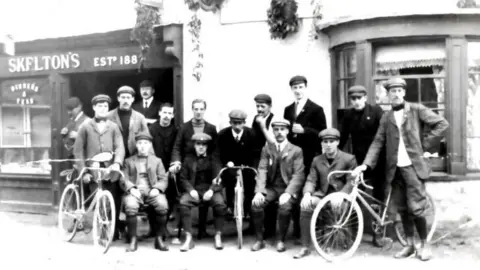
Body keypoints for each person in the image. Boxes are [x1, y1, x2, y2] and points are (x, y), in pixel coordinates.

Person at [352, 77, 449, 261]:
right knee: (403, 210)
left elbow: (442, 124)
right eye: (392, 91)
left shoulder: (416, 110)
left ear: (404, 93)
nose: (396, 94)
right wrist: (365, 164)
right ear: (387, 94)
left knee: (417, 209)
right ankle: (410, 245)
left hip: (413, 168)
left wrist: (425, 144)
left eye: (399, 91)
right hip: (395, 171)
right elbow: (378, 142)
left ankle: (424, 245)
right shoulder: (386, 117)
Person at [293, 128, 357, 259]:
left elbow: (351, 181)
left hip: (341, 197)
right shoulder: (317, 160)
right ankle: (305, 246)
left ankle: (337, 242)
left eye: (331, 141)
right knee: (305, 205)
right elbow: (311, 179)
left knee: (339, 208)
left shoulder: (348, 159)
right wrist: (307, 194)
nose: (328, 145)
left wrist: (341, 195)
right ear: (321, 143)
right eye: (325, 142)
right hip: (322, 195)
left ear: (338, 142)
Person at [73, 94, 125, 239]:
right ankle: (101, 231)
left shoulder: (113, 126)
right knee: (98, 200)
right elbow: (78, 150)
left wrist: (117, 163)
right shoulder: (85, 126)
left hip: (110, 170)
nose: (103, 109)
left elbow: (120, 146)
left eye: (106, 106)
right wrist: (84, 172)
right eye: (100, 106)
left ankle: (112, 231)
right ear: (94, 107)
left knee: (112, 200)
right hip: (93, 171)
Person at [339, 85, 386, 246]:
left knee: (378, 197)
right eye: (353, 99)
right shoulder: (348, 115)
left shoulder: (376, 111)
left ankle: (378, 233)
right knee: (354, 194)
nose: (356, 101)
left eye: (359, 98)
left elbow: (384, 136)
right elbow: (343, 137)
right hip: (359, 161)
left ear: (365, 98)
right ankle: (352, 232)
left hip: (379, 160)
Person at [250, 119, 305, 252]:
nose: (279, 132)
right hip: (272, 188)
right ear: (273, 132)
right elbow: (262, 169)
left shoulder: (296, 150)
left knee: (285, 207)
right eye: (276, 129)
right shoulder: (267, 149)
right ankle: (259, 240)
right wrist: (259, 191)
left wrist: (288, 193)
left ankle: (280, 240)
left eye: (282, 129)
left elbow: (299, 175)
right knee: (256, 204)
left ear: (287, 131)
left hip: (287, 188)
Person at [283, 75, 327, 239]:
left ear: (306, 88)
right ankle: (297, 229)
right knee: (293, 189)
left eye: (301, 87)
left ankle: (312, 229)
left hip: (309, 156)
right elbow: (286, 134)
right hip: (293, 157)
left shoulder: (316, 109)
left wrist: (305, 131)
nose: (298, 91)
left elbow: (322, 134)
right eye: (295, 88)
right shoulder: (288, 109)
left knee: (307, 191)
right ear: (292, 90)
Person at [177, 133, 226, 251]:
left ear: (207, 146)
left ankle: (218, 235)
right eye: (198, 144)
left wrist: (211, 190)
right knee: (184, 203)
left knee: (220, 204)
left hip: (210, 189)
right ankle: (189, 238)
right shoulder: (188, 159)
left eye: (204, 145)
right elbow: (182, 178)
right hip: (194, 189)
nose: (201, 147)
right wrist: (191, 190)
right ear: (194, 145)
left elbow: (219, 178)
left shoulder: (214, 159)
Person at [121, 131, 169, 252]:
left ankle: (159, 239)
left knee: (162, 205)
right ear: (136, 145)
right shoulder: (128, 161)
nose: (142, 146)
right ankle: (133, 240)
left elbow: (163, 178)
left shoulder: (157, 161)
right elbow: (123, 178)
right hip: (135, 191)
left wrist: (157, 188)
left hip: (151, 190)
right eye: (140, 143)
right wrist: (131, 188)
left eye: (145, 143)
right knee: (131, 205)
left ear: (150, 145)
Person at [217, 109, 257, 220]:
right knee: (229, 179)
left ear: (244, 123)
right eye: (234, 123)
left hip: (246, 166)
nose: (237, 126)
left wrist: (250, 166)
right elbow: (219, 153)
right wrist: (226, 163)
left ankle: (247, 208)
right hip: (230, 165)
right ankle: (229, 206)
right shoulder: (223, 135)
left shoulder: (251, 134)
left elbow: (255, 153)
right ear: (230, 123)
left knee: (250, 183)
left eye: (240, 123)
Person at [148, 103, 179, 236]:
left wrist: (173, 166)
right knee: (152, 196)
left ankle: (163, 226)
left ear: (173, 116)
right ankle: (152, 228)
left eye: (169, 113)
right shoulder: (151, 129)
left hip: (169, 170)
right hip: (153, 169)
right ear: (159, 113)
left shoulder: (176, 130)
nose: (166, 116)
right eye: (164, 112)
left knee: (169, 197)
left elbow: (177, 149)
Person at [170, 99, 218, 175]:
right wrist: (176, 162)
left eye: (201, 109)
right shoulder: (183, 127)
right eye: (196, 109)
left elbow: (215, 150)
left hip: (206, 166)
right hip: (188, 166)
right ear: (192, 110)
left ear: (205, 110)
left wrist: (215, 167)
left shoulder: (211, 128)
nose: (199, 112)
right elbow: (177, 147)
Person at [107, 85, 149, 158]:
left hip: (133, 157)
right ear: (118, 98)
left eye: (128, 97)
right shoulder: (108, 116)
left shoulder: (140, 117)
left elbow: (147, 138)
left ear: (132, 99)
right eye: (123, 97)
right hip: (113, 156)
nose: (126, 100)